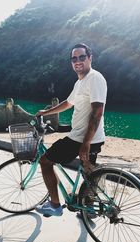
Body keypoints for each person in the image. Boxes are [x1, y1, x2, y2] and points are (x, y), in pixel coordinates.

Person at [35, 43, 107, 217]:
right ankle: (89, 209)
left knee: (45, 161)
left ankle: (54, 205)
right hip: (88, 138)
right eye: (74, 58)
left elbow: (97, 113)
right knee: (88, 171)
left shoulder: (94, 78)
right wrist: (47, 112)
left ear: (90, 58)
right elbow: (68, 103)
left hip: (81, 139)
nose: (78, 61)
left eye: (82, 57)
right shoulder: (80, 82)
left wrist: (85, 144)